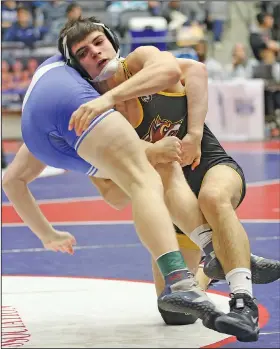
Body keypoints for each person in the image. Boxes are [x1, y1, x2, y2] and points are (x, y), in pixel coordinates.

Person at [3, 17, 279, 341]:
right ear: (78, 68)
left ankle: (242, 301)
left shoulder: (140, 62)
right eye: (83, 52)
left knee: (213, 200)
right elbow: (115, 197)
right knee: (174, 315)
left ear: (112, 42)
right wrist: (147, 154)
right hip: (172, 209)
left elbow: (189, 71)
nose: (94, 52)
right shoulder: (92, 119)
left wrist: (193, 133)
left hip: (207, 165)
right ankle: (216, 262)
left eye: (98, 42)